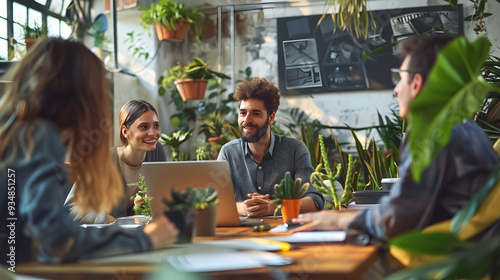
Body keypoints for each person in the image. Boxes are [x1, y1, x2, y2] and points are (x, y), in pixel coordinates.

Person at [293, 34, 500, 247]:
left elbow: (398, 221)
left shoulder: (434, 134)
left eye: (399, 78)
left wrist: (339, 219)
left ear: (416, 83)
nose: (395, 89)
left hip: (440, 263)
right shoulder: (466, 129)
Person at [0, 38, 178, 265]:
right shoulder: (39, 135)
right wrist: (143, 240)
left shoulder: (17, 129)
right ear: (80, 91)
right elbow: (58, 242)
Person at [217, 77, 324, 217]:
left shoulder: (295, 149)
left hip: (284, 229)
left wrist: (273, 207)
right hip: (244, 230)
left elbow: (315, 201)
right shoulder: (228, 152)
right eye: (243, 113)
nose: (247, 120)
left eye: (256, 113)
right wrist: (243, 208)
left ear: (271, 118)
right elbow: (213, 201)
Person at [65, 100, 166, 224]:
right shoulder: (102, 162)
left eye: (156, 126)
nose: (153, 133)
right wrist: (103, 218)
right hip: (106, 236)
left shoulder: (157, 152)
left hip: (138, 234)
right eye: (144, 127)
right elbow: (70, 210)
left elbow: (160, 199)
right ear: (125, 131)